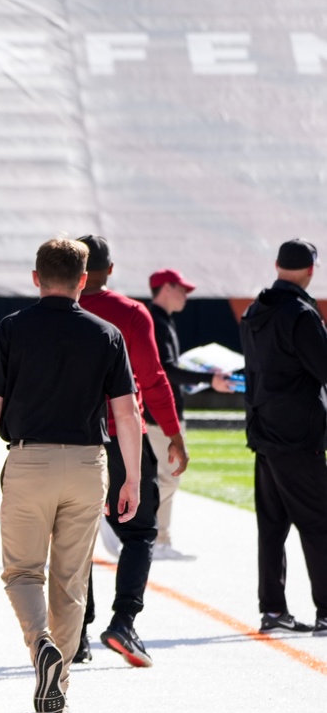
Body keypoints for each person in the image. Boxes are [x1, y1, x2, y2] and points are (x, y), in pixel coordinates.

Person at [0, 238, 142, 713]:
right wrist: (133, 480)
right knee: (71, 581)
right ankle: (58, 681)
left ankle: (40, 645)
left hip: (29, 462)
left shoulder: (10, 329)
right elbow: (127, 415)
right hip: (88, 464)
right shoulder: (107, 333)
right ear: (84, 280)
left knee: (23, 572)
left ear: (35, 278)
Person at [76, 235, 187, 668]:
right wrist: (174, 433)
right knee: (141, 531)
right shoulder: (130, 313)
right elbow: (154, 378)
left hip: (73, 433)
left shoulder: (51, 314)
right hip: (124, 433)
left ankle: (77, 632)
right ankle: (123, 622)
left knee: (75, 533)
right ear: (110, 268)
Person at [239, 239, 327, 635]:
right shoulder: (300, 314)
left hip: (264, 429)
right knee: (318, 522)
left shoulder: (256, 310)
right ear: (311, 269)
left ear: (277, 265)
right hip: (296, 434)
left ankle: (273, 610)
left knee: (272, 525)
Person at [146, 268, 238, 559]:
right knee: (169, 476)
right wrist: (209, 380)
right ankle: (157, 540)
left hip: (161, 411)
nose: (186, 295)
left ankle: (154, 538)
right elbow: (166, 371)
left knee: (163, 476)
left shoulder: (162, 322)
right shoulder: (157, 323)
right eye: (181, 289)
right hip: (160, 413)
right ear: (166, 288)